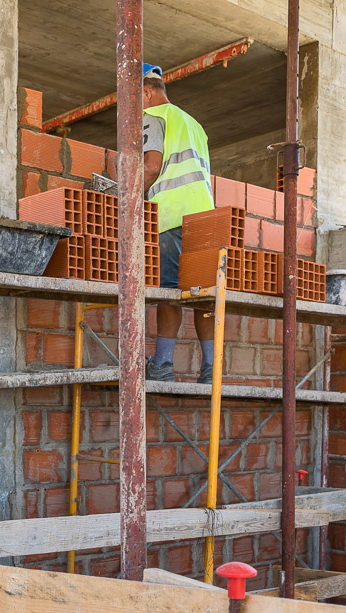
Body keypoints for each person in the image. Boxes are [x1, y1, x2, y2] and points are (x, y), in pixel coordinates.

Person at [141, 62, 218, 384]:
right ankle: (211, 370)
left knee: (168, 293)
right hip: (205, 217)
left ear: (144, 92)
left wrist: (125, 200)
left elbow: (151, 165)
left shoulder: (153, 117)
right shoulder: (195, 124)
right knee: (203, 295)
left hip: (171, 214)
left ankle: (162, 366)